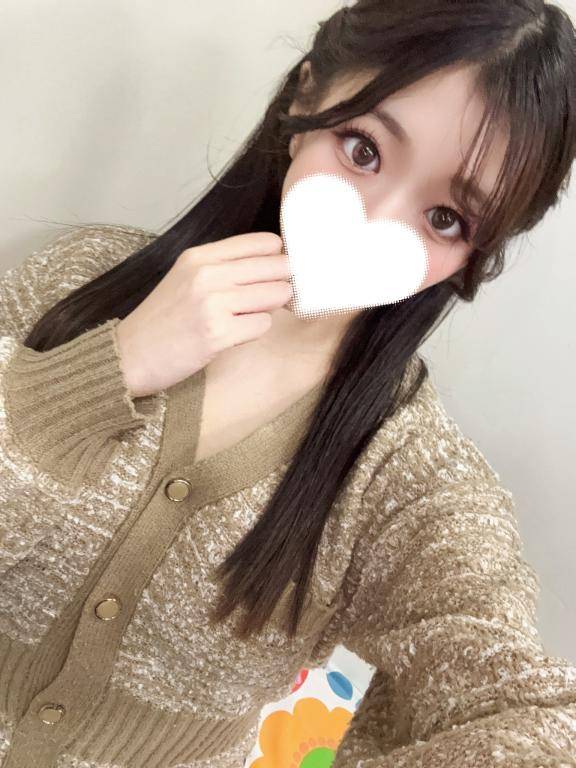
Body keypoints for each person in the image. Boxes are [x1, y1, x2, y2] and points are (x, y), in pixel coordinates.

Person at [1, 1, 575, 766]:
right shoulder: (78, 282)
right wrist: (111, 367)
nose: (374, 221)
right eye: (363, 150)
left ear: (476, 254)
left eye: (445, 218)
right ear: (306, 99)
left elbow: (525, 712)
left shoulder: (405, 478)